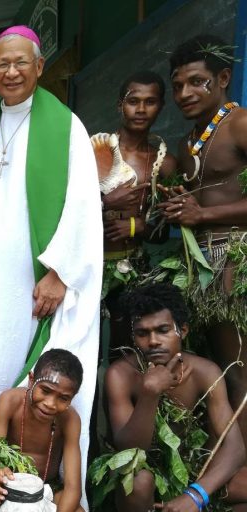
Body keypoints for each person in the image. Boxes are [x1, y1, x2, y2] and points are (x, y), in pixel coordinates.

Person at [0, 26, 101, 502]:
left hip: (34, 279)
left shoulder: (65, 127)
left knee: (25, 357)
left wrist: (59, 272)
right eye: (2, 65)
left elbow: (84, 206)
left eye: (20, 63)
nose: (11, 72)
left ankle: (31, 487)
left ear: (39, 67)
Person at [157, 34, 247, 452]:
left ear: (223, 78)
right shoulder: (188, 141)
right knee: (220, 367)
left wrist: (203, 215)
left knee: (240, 368)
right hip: (202, 269)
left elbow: (210, 210)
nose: (184, 93)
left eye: (197, 82)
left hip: (235, 261)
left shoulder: (241, 124)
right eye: (177, 86)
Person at [93, 283, 247, 511]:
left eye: (163, 330)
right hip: (143, 473)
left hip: (192, 473)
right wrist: (149, 393)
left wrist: (196, 495)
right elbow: (131, 448)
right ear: (133, 337)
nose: (153, 341)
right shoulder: (121, 375)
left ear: (182, 330)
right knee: (138, 481)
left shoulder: (204, 372)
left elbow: (235, 448)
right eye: (142, 333)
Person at [95, 70, 177, 350]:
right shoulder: (96, 151)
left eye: (150, 102)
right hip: (90, 268)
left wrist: (137, 226)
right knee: (84, 349)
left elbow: (164, 231)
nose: (141, 109)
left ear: (161, 106)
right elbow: (66, 211)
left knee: (127, 348)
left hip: (133, 268)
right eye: (133, 101)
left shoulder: (163, 164)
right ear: (120, 105)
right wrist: (106, 201)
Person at [0, 349, 84, 512]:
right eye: (46, 391)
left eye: (63, 398)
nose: (50, 403)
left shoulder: (70, 420)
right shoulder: (10, 401)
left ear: (72, 398)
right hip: (12, 485)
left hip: (48, 488)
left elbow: (73, 487)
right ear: (31, 380)